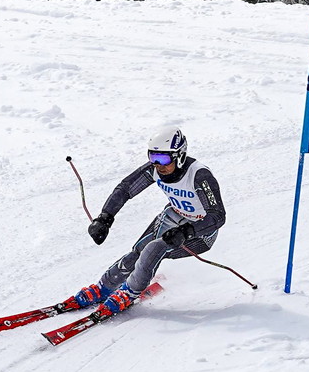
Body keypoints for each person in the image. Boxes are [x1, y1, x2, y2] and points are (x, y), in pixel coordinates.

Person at [64, 125, 227, 318]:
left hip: (201, 233)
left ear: (180, 155)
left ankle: (129, 292)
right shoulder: (155, 169)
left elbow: (217, 215)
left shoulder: (199, 175)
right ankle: (104, 288)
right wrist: (104, 218)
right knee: (138, 252)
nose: (159, 165)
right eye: (153, 158)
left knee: (154, 249)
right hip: (174, 216)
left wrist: (186, 232)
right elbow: (125, 189)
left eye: (164, 159)